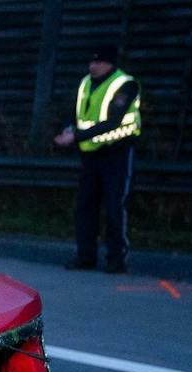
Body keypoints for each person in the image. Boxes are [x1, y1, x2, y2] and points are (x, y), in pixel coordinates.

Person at [54, 44, 143, 274]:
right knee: (85, 207)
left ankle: (117, 259)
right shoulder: (85, 83)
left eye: (98, 62)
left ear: (110, 63)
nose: (93, 66)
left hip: (117, 153)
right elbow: (73, 111)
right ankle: (85, 257)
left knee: (115, 206)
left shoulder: (125, 85)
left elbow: (114, 121)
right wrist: (68, 128)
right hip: (90, 155)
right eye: (91, 62)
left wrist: (75, 136)